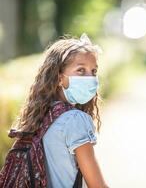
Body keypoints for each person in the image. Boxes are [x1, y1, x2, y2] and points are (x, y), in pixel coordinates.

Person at [13, 34, 108, 187]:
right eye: (81, 70)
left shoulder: (42, 117)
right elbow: (97, 185)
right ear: (59, 78)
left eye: (94, 71)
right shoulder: (75, 120)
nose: (90, 78)